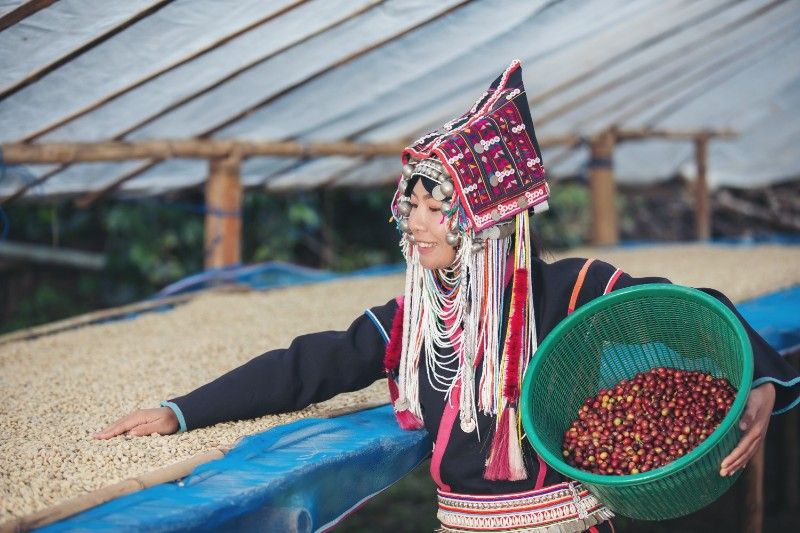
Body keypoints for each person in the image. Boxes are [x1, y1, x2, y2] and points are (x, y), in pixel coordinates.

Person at [96, 60, 799, 532]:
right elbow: (308, 366)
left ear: (489, 220)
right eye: (413, 205)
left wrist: (761, 376)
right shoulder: (418, 318)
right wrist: (179, 410)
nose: (419, 220)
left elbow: (685, 310)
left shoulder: (567, 289)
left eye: (440, 206)